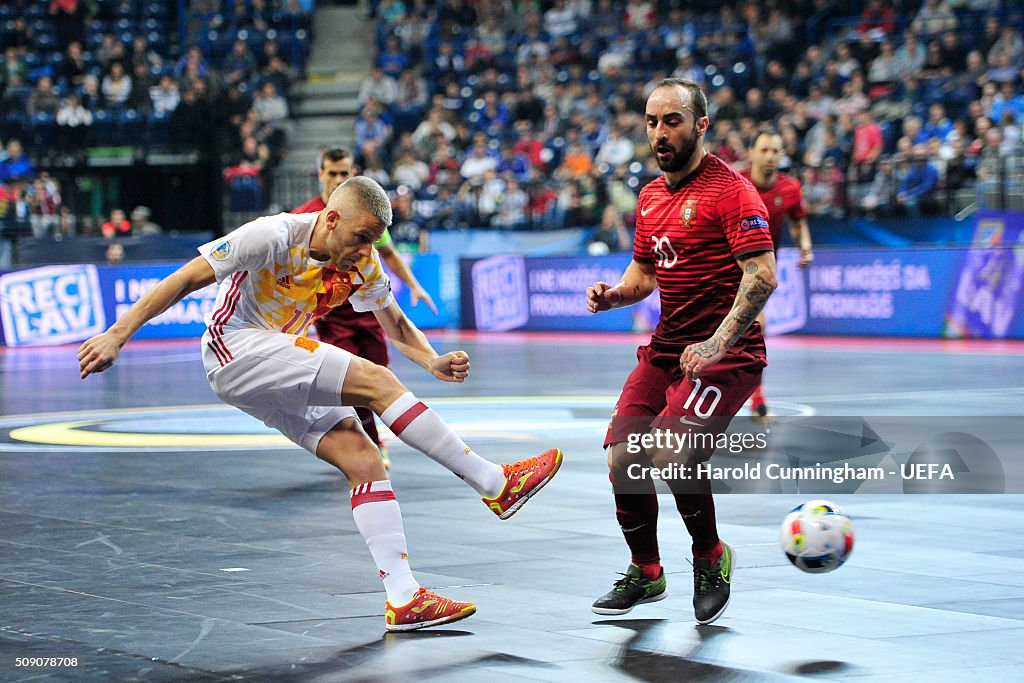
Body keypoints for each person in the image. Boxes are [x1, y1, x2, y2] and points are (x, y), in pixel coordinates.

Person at [79, 176, 563, 631]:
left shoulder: (363, 263)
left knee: (364, 457)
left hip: (276, 359)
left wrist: (432, 360)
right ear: (331, 219)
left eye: (373, 240)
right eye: (359, 237)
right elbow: (185, 278)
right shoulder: (271, 234)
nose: (365, 250)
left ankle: (403, 596)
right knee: (376, 380)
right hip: (236, 347)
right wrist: (117, 335)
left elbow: (394, 325)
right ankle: (493, 481)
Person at [585, 78, 777, 625]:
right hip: (668, 348)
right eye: (652, 121)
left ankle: (710, 556)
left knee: (671, 450)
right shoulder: (649, 197)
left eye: (672, 120)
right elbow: (645, 273)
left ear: (701, 125)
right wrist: (616, 294)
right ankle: (647, 572)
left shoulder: (732, 191)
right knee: (623, 458)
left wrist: (718, 342)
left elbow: (762, 276)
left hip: (728, 354)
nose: (660, 132)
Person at [293, 147, 438, 469]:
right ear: (321, 174)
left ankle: (367, 441)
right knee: (351, 384)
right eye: (332, 173)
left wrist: (413, 285)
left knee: (379, 375)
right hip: (331, 316)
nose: (338, 179)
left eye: (345, 173)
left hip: (369, 311)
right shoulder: (303, 218)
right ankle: (368, 444)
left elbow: (387, 253)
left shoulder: (365, 214)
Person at [740, 130, 813, 421]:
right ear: (752, 153)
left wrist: (805, 248)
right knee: (751, 327)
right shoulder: (736, 183)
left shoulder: (791, 188)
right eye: (765, 150)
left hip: (760, 272)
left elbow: (798, 224)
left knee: (753, 329)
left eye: (775, 151)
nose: (770, 157)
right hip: (726, 265)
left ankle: (754, 398)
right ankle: (754, 399)